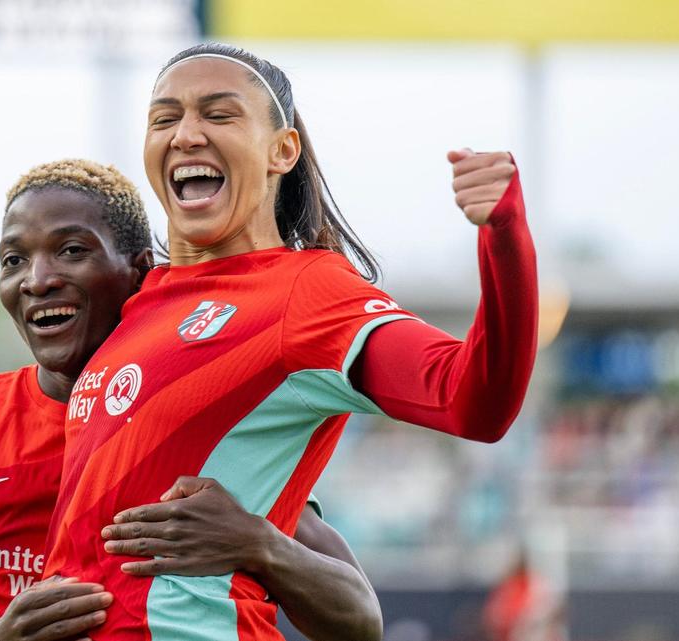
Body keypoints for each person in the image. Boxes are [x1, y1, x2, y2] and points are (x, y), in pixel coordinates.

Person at [43, 43, 539, 641]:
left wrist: (505, 234)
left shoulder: (309, 292)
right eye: (165, 118)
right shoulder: (139, 303)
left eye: (219, 114)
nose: (186, 135)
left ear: (283, 151)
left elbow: (474, 402)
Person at [0, 160, 382, 641]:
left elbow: (362, 621)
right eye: (14, 259)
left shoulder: (201, 421)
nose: (38, 280)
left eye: (71, 250)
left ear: (138, 272)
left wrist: (260, 546)